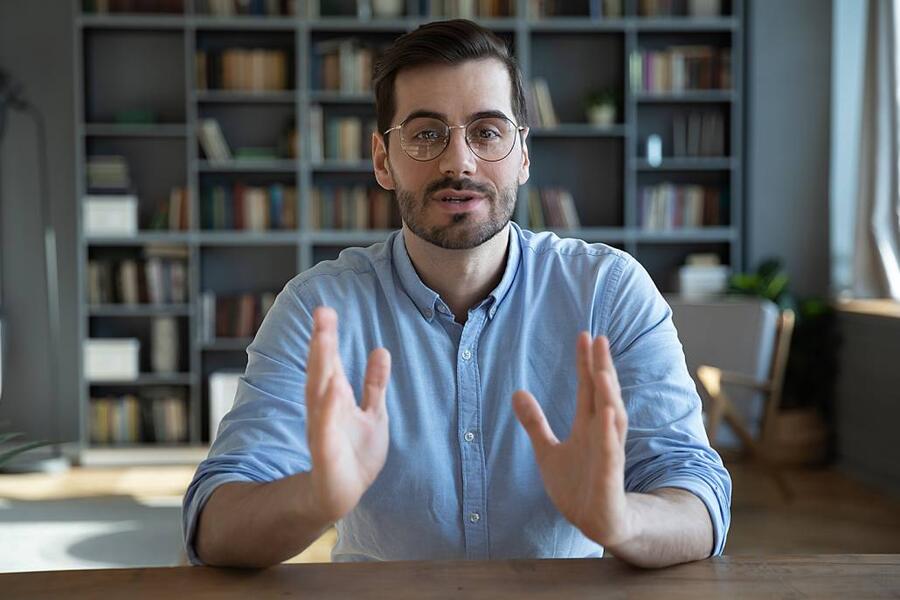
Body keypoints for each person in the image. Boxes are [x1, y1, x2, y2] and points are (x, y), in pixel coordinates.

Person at [182, 19, 731, 569]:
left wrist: (620, 520)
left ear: (523, 154)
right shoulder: (318, 308)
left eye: (487, 131)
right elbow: (214, 523)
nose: (458, 161)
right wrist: (315, 498)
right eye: (426, 133)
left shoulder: (608, 291)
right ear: (382, 160)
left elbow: (699, 498)